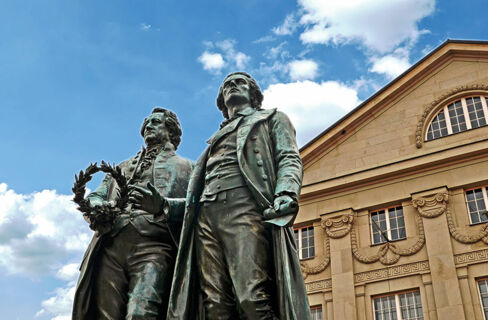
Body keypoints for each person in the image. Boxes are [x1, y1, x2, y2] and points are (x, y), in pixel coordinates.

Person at [166, 72, 311, 319]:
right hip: (206, 215)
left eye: (239, 82)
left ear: (253, 93)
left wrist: (285, 191)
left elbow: (288, 157)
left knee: (251, 297)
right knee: (215, 303)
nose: (232, 86)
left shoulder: (272, 118)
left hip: (245, 208)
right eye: (226, 86)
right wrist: (164, 205)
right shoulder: (213, 140)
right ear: (222, 100)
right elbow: (195, 191)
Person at [72, 108, 193, 320]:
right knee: (104, 315)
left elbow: (202, 206)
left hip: (154, 247)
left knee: (141, 313)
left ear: (171, 131)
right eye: (147, 123)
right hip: (110, 245)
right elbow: (97, 195)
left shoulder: (188, 167)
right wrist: (96, 206)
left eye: (156, 122)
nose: (148, 126)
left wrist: (164, 205)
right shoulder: (122, 167)